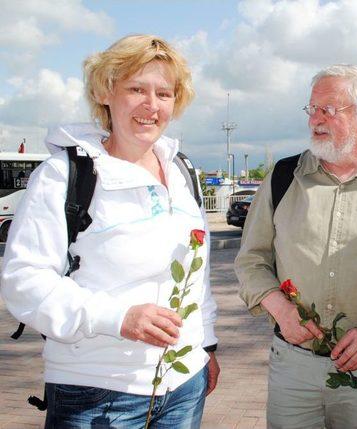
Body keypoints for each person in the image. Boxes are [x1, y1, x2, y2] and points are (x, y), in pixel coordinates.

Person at [0, 35, 220, 428]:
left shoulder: (182, 171)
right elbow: (23, 281)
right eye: (136, 89)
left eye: (164, 93)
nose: (152, 105)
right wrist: (117, 317)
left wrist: (205, 347)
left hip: (184, 387)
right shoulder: (63, 175)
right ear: (106, 92)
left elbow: (195, 274)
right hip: (96, 393)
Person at [235, 64, 357, 429]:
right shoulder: (281, 178)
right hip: (291, 365)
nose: (316, 120)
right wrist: (278, 307)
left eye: (329, 109)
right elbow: (251, 260)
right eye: (312, 109)